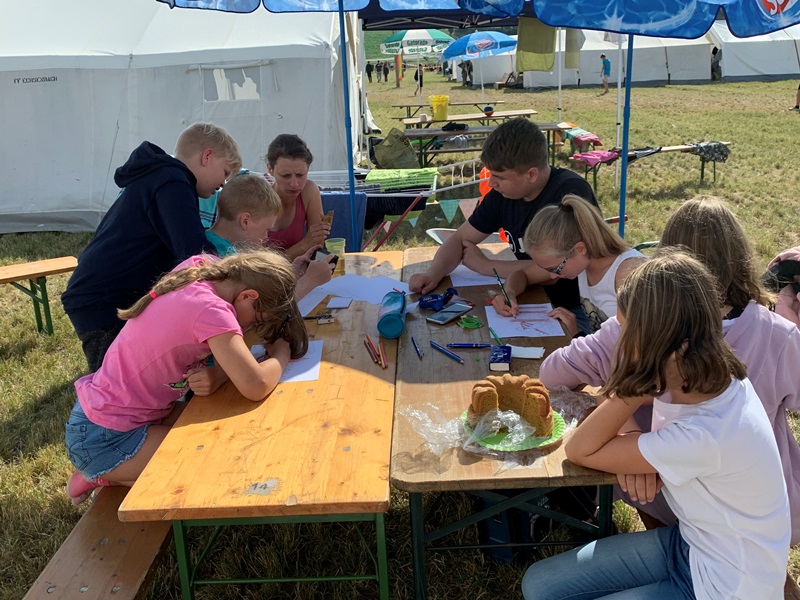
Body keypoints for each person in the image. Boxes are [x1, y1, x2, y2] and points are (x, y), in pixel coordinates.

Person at [522, 251, 790, 600]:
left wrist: (634, 388)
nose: (619, 342)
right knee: (538, 586)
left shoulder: (703, 433)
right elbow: (606, 403)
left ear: (662, 344)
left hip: (724, 587)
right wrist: (634, 437)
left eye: (625, 331)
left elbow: (580, 449)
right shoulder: (706, 375)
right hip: (692, 542)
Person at [539, 196, 800, 544]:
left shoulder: (632, 328)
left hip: (661, 490)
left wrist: (626, 424)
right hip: (752, 506)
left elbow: (552, 374)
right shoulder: (779, 335)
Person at [65, 250, 309, 504]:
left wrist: (221, 373)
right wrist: (280, 354)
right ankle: (103, 475)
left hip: (122, 417)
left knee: (221, 433)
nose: (250, 328)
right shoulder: (212, 311)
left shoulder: (205, 269)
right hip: (102, 438)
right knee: (205, 464)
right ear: (247, 296)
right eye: (258, 320)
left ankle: (114, 471)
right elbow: (256, 385)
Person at [61, 122, 242, 373]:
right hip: (104, 299)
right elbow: (194, 253)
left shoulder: (161, 177)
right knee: (117, 383)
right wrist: (238, 273)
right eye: (225, 172)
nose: (222, 185)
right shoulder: (173, 181)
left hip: (108, 293)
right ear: (207, 156)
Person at [408, 118, 598, 331]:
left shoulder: (569, 192)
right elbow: (460, 239)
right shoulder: (504, 195)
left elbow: (552, 271)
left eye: (499, 177)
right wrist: (433, 274)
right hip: (526, 298)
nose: (491, 183)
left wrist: (486, 266)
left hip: (574, 310)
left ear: (531, 174)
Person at [493, 194, 644, 336]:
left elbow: (636, 349)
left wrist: (577, 336)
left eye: (556, 269)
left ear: (580, 249)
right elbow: (522, 274)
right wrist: (509, 294)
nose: (552, 276)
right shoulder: (584, 259)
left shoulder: (628, 275)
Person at [205, 171, 335, 298]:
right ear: (245, 221)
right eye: (266, 229)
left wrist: (293, 270)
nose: (266, 237)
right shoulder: (222, 260)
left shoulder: (216, 244)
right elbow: (265, 309)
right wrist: (310, 281)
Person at [264, 134, 331, 261]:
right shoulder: (258, 200)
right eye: (285, 175)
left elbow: (317, 246)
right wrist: (304, 244)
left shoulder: (308, 191)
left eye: (300, 175)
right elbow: (257, 265)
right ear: (270, 169)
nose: (294, 184)